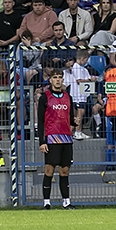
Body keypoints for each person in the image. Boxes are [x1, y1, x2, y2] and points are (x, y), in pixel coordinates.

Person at [37, 70, 81, 209]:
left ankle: (66, 202)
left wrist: (75, 122)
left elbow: (68, 119)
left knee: (64, 171)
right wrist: (42, 141)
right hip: (52, 138)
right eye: (55, 77)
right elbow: (41, 120)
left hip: (66, 138)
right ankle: (46, 202)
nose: (57, 80)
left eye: (60, 77)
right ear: (50, 80)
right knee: (49, 170)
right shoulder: (45, 97)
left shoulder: (68, 97)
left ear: (63, 80)